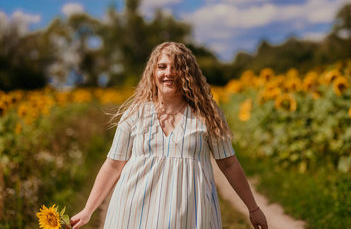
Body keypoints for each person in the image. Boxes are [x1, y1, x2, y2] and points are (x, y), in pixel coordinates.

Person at [70, 42, 268, 229]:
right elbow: (114, 165)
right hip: (134, 212)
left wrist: (253, 208)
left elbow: (229, 163)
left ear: (188, 73)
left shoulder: (207, 114)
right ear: (153, 72)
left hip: (189, 215)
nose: (168, 73)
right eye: (162, 67)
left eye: (176, 67)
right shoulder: (135, 114)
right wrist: (88, 210)